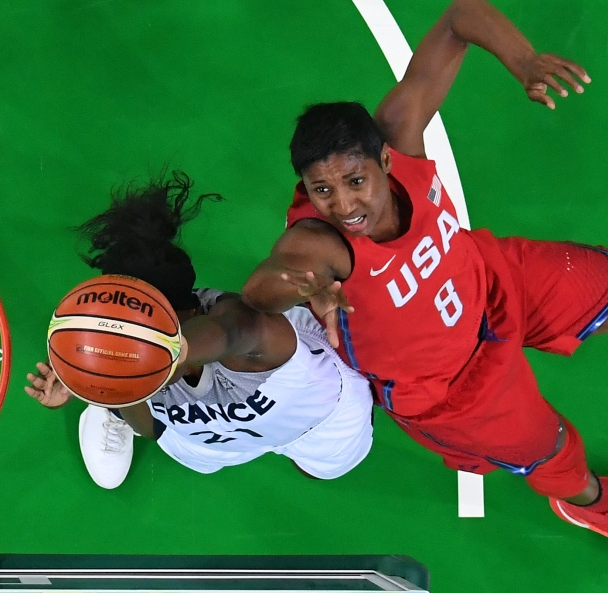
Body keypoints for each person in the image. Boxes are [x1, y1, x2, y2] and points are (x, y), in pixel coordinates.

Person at [241, 0, 608, 554]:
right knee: (551, 450)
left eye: (354, 181)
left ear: (384, 159)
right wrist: (296, 289)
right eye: (323, 191)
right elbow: (261, 286)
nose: (343, 204)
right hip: (451, 392)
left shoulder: (400, 134)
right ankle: (595, 504)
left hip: (495, 283)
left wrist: (524, 61)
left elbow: (461, 13)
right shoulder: (320, 244)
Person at [26, 172, 373, 489]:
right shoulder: (131, 357)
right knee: (197, 453)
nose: (140, 345)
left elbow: (232, 332)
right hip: (212, 440)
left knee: (316, 470)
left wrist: (164, 354)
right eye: (129, 336)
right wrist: (106, 389)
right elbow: (152, 428)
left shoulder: (249, 328)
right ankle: (106, 413)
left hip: (320, 419)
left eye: (159, 331)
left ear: (193, 309)